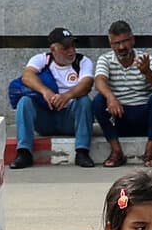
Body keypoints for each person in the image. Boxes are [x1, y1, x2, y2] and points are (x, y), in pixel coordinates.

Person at [9, 27, 96, 170]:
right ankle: (23, 152)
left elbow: (87, 84)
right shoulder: (42, 59)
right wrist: (45, 92)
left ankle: (82, 151)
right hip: (46, 117)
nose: (71, 51)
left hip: (70, 117)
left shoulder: (82, 61)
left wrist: (67, 96)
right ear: (53, 49)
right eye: (65, 48)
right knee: (24, 102)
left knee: (84, 101)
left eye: (73, 46)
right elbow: (27, 76)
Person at [93, 20, 152, 166]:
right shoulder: (105, 59)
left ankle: (150, 152)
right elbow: (99, 81)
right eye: (116, 43)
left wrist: (147, 72)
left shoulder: (147, 59)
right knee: (98, 101)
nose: (121, 47)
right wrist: (111, 98)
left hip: (145, 117)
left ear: (132, 40)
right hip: (120, 115)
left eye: (125, 41)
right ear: (111, 44)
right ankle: (116, 152)